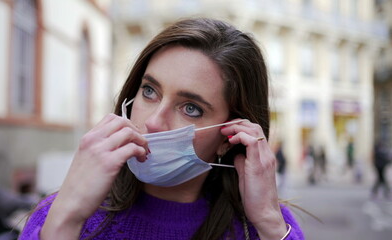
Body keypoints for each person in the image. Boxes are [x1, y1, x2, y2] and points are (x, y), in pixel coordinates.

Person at [19, 18, 304, 240]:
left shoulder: (266, 227)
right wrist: (66, 218)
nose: (154, 121)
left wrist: (268, 222)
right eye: (149, 91)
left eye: (191, 108)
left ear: (229, 138)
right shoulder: (63, 212)